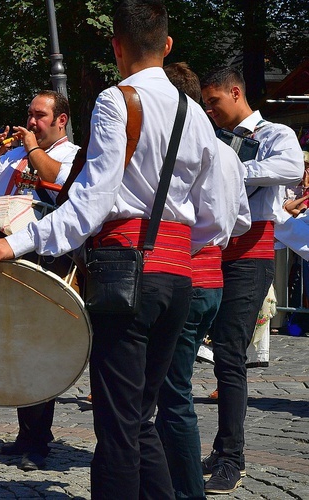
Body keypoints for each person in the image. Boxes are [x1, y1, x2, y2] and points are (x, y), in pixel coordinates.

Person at [0, 1, 229, 496]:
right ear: (167, 45)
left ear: (115, 46)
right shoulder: (195, 114)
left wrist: (16, 243)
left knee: (117, 428)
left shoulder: (117, 101)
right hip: (179, 277)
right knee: (140, 420)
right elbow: (215, 213)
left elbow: (89, 205)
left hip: (126, 273)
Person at [199, 66, 303, 494]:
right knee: (201, 345)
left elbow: (291, 167)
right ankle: (221, 446)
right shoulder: (210, 134)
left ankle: (232, 457)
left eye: (214, 102)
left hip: (252, 250)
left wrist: (231, 167)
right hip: (212, 246)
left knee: (229, 349)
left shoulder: (276, 132)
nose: (210, 110)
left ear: (235, 92)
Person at [0, 89, 79, 472]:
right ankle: (26, 434)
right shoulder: (11, 156)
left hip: (48, 259)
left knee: (38, 347)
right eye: (29, 115)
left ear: (60, 119)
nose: (31, 121)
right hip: (4, 257)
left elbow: (57, 183)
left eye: (40, 115)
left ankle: (38, 439)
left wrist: (31, 147)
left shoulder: (72, 155)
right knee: (13, 345)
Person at [154, 61, 251, 500]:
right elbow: (241, 220)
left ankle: (184, 490)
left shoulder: (186, 151)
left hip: (186, 276)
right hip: (210, 279)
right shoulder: (226, 152)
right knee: (170, 391)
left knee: (172, 395)